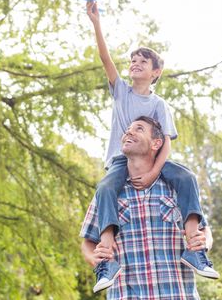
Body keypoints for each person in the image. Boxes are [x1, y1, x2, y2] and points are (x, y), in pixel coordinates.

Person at [86, 0, 219, 293]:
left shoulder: (158, 105)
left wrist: (152, 174)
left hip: (155, 162)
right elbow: (105, 59)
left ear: (155, 72)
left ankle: (195, 249)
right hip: (122, 161)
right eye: (132, 60)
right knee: (106, 187)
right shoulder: (120, 92)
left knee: (186, 178)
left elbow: (165, 145)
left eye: (143, 62)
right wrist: (96, 23)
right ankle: (106, 261)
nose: (135, 64)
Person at [80, 116, 213, 298]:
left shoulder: (178, 187)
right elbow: (88, 242)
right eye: (128, 128)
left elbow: (204, 230)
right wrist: (94, 258)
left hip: (178, 294)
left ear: (156, 143)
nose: (129, 131)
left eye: (139, 129)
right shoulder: (107, 193)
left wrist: (203, 242)